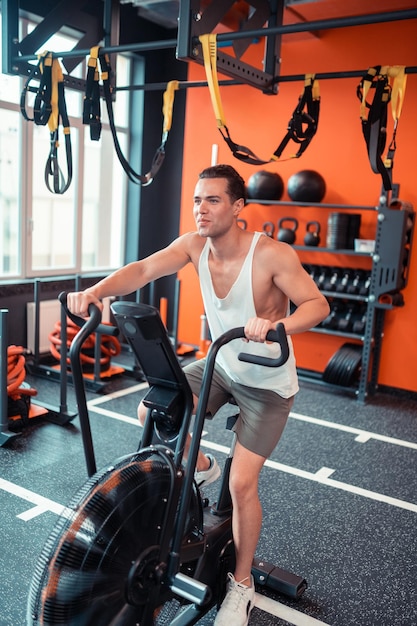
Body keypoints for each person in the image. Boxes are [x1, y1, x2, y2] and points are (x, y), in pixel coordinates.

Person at [67, 164, 329, 625]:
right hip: (221, 365)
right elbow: (144, 268)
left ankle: (241, 586)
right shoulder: (193, 245)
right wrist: (95, 291)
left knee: (242, 484)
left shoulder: (271, 256)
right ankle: (202, 467)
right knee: (154, 412)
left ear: (238, 206)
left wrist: (276, 327)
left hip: (267, 382)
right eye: (196, 200)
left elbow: (318, 305)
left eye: (212, 200)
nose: (200, 210)